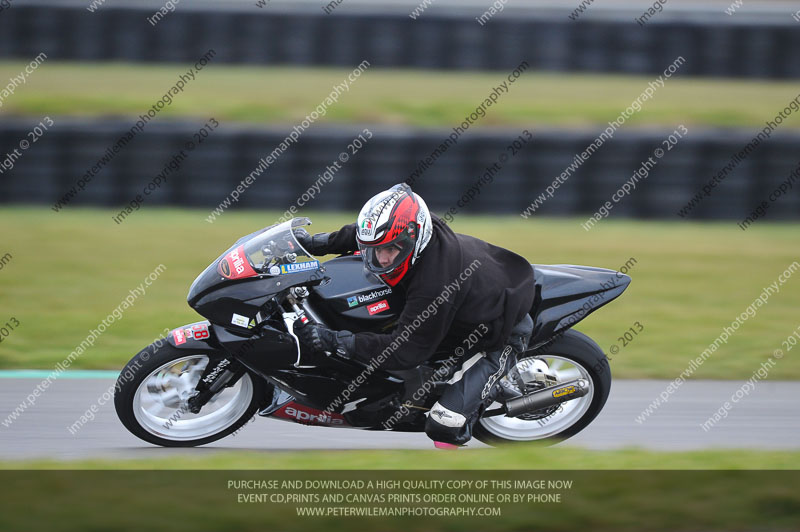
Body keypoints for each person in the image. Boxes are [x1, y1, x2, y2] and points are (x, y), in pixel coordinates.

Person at [293, 183, 535, 448]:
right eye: (377, 249)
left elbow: (405, 352)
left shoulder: (434, 284)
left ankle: (490, 390)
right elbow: (365, 235)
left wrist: (334, 341)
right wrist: (316, 243)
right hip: (478, 286)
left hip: (501, 328)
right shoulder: (415, 224)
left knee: (444, 425)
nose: (382, 259)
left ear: (413, 240)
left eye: (390, 250)